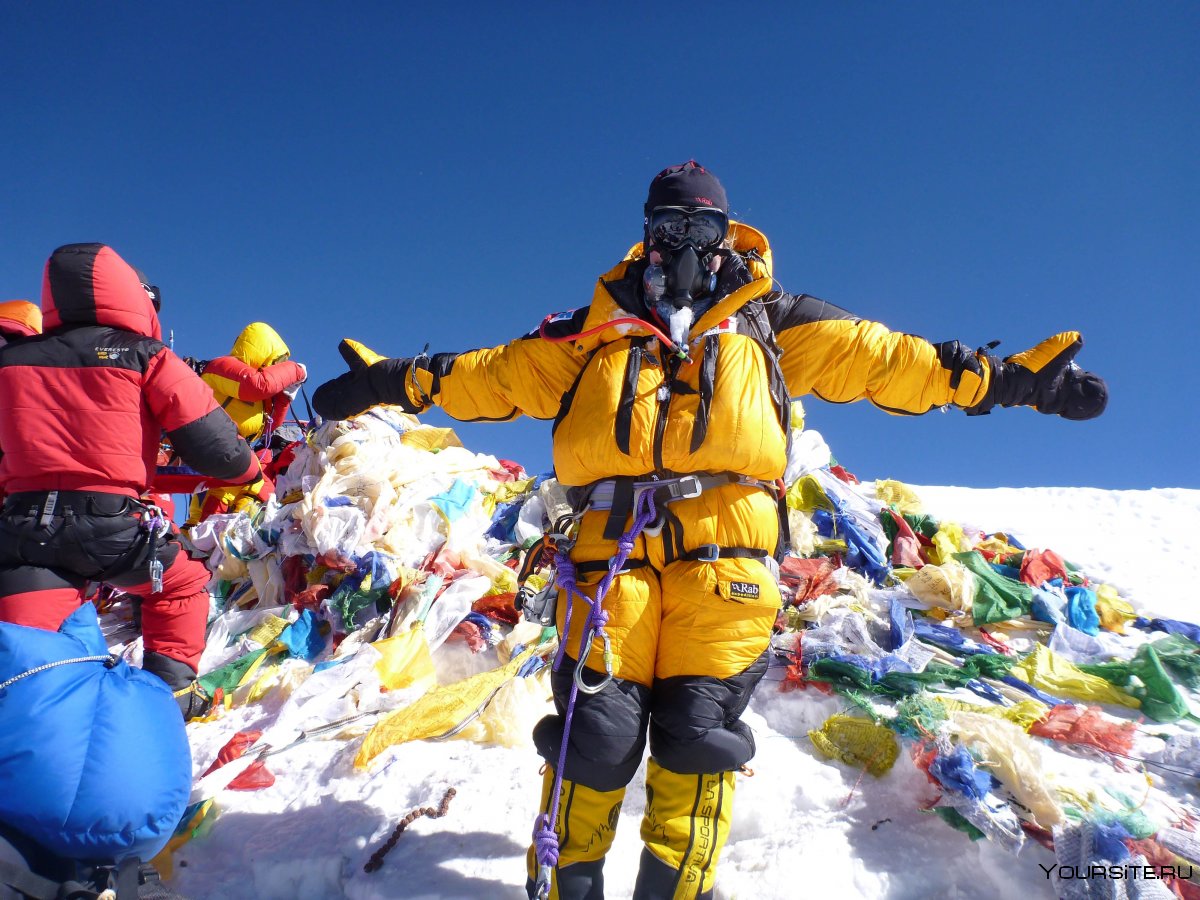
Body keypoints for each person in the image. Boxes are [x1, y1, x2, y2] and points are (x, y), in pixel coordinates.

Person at [312, 161, 1107, 900]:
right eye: (668, 224)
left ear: (728, 234)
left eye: (701, 227)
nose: (683, 244)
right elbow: (490, 375)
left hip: (726, 567)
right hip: (610, 564)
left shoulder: (773, 321)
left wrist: (1009, 382)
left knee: (697, 741)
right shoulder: (593, 329)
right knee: (594, 736)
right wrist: (395, 380)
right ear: (647, 230)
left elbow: (888, 359)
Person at [0, 242, 267, 718]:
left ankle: (31, 721)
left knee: (27, 665)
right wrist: (251, 471)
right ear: (133, 296)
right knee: (182, 583)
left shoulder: (10, 361)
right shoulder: (145, 356)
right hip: (112, 528)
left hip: (24, 531)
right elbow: (221, 451)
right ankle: (173, 699)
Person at [181, 321, 306, 523]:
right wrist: (296, 370)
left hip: (234, 450)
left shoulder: (260, 396)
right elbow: (257, 385)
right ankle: (199, 539)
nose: (277, 366)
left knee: (259, 487)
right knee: (215, 504)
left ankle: (236, 532)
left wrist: (284, 398)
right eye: (278, 360)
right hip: (209, 444)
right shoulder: (220, 366)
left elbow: (270, 428)